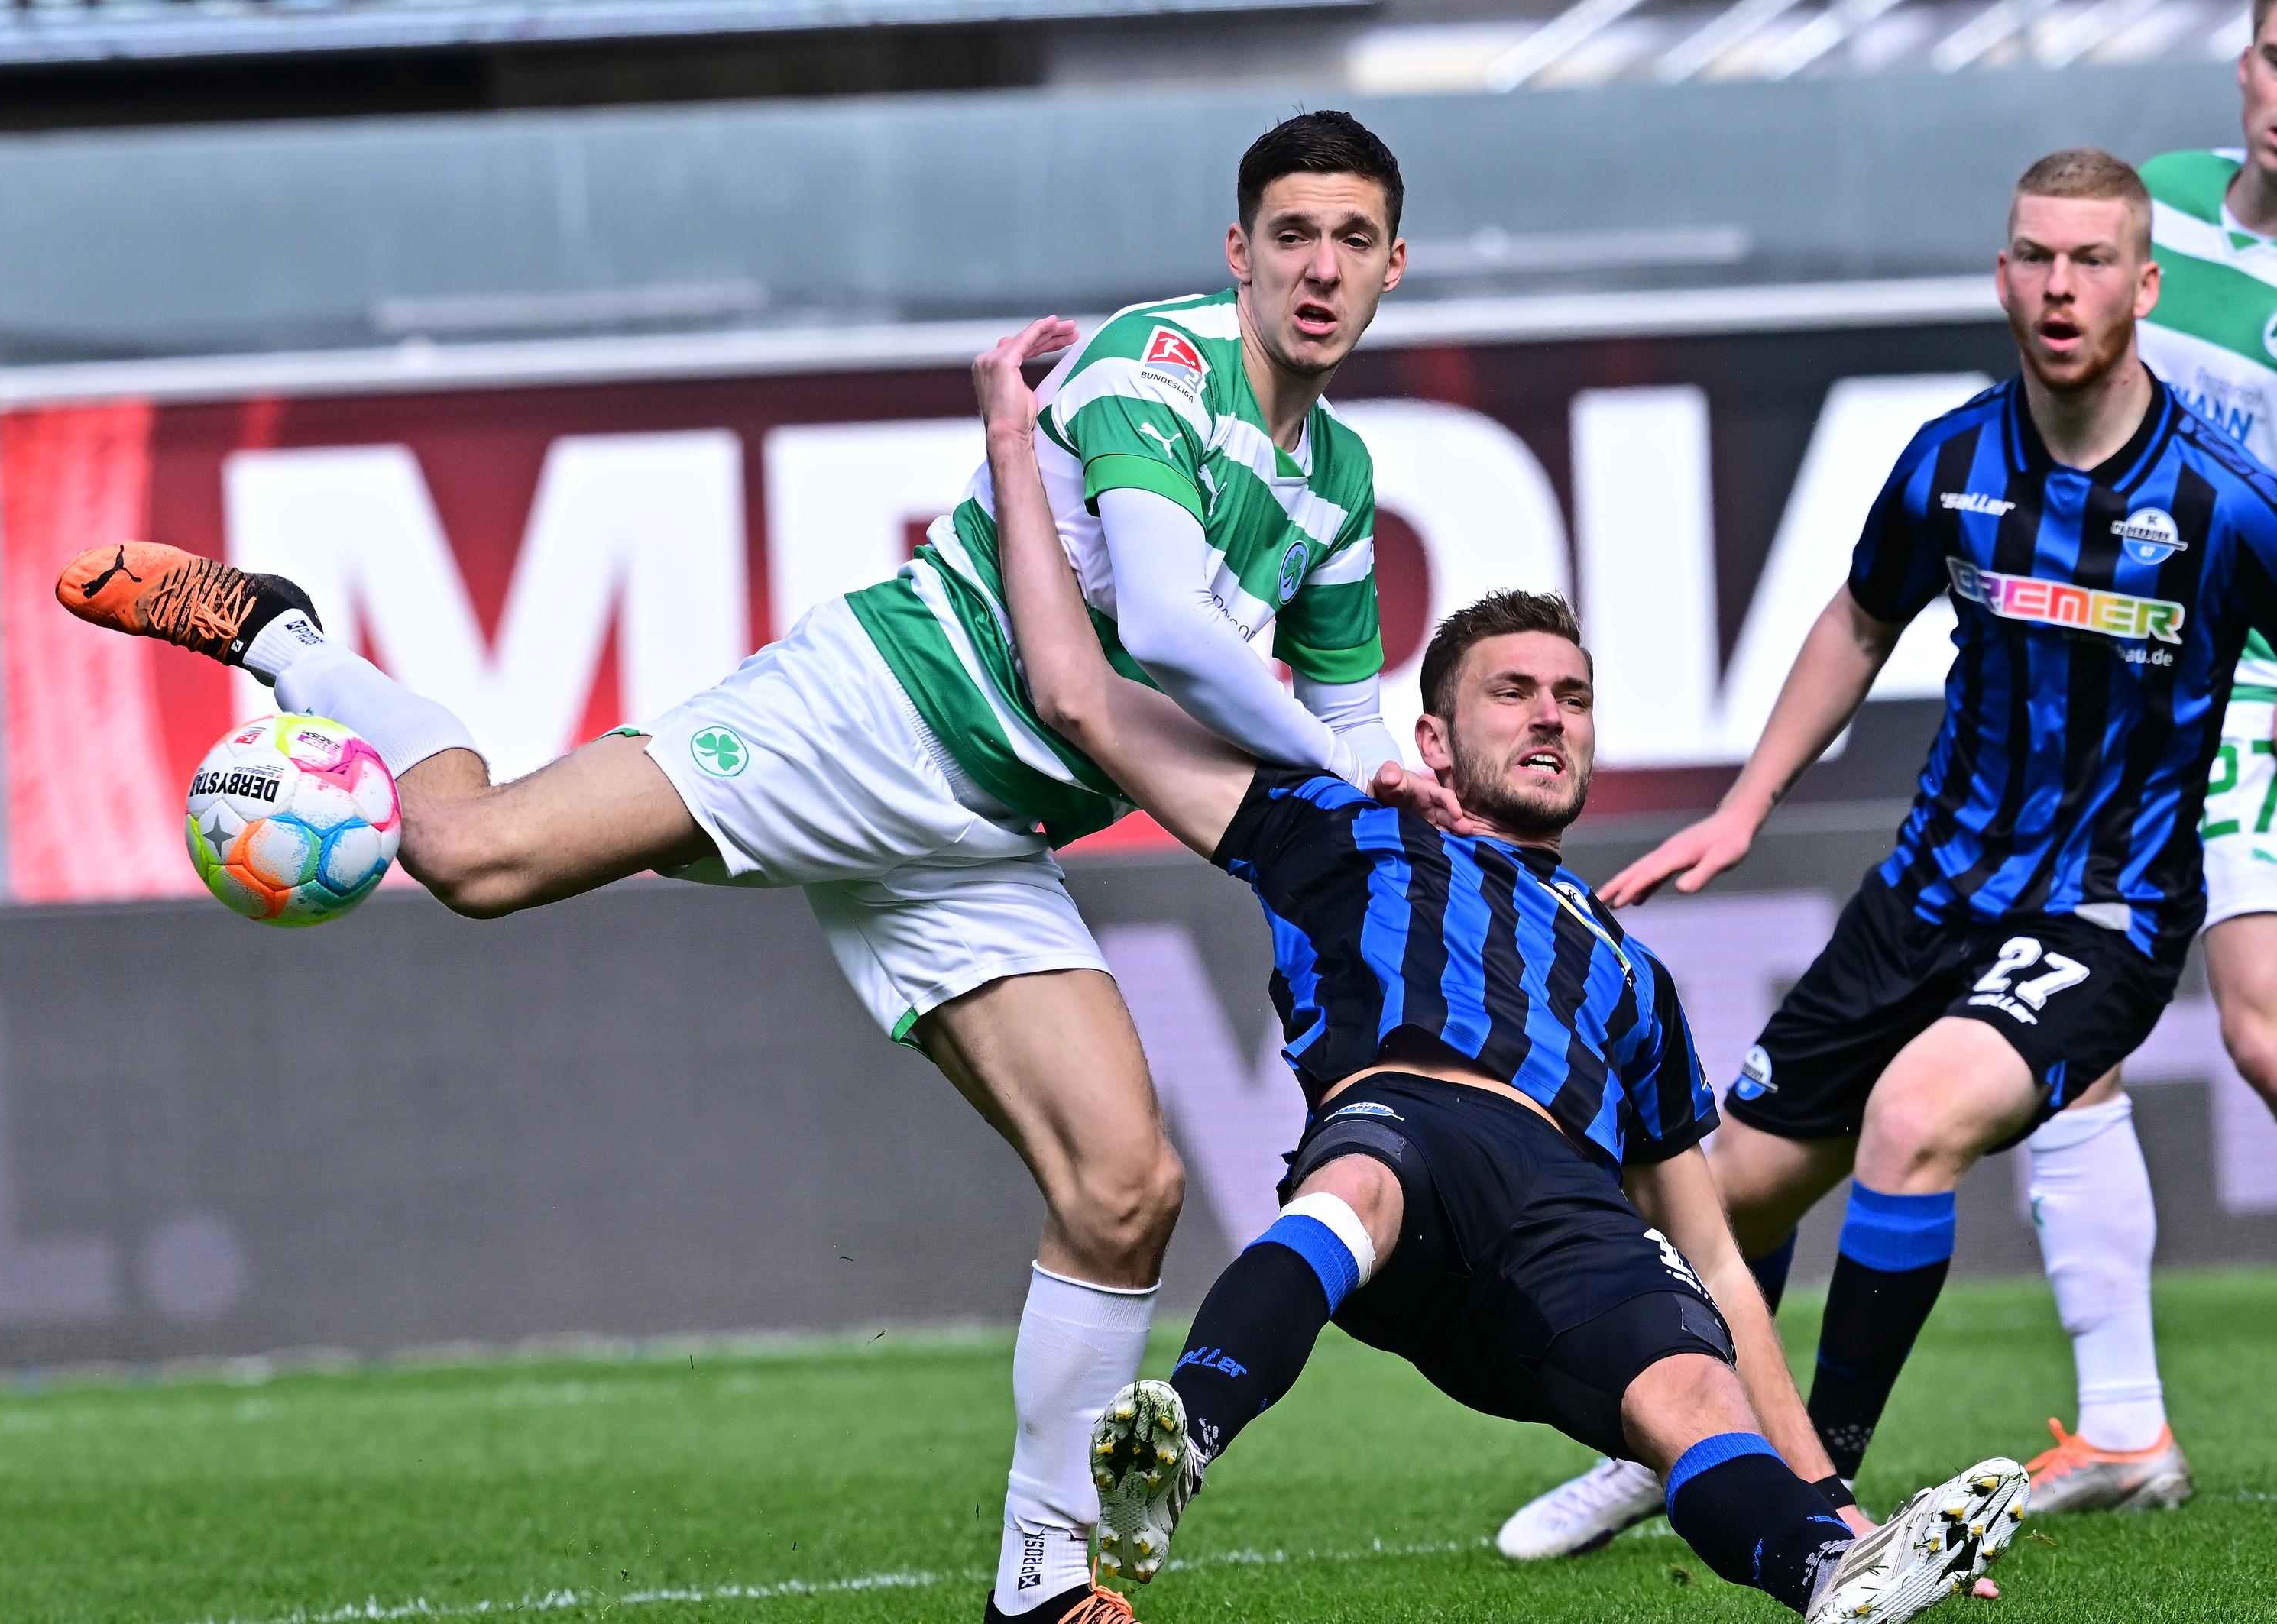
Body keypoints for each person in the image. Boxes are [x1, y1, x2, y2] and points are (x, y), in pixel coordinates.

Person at [53, 111, 1457, 1624]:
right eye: (1292, 236)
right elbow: (1173, 632)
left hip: (988, 837)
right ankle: (288, 638)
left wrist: (1398, 779)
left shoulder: (1338, 478)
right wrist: (1350, 772)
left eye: (1353, 240)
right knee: (468, 854)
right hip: (865, 715)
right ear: (1238, 252)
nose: (1320, 269)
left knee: (1127, 1186)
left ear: (1394, 265)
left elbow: (1345, 719)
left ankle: (1045, 1583)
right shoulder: (1154, 367)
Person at [963, 314, 2029, 1623]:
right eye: (1513, 691)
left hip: (1564, 1222)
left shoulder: (1632, 974)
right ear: (1432, 734)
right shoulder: (1335, 818)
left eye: (1572, 698)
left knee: (1693, 1381)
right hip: (1406, 1152)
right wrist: (1013, 442)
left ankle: (1828, 1571)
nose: (1549, 716)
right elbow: (1076, 692)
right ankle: (1177, 1440)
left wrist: (1830, 1493)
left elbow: (1715, 1248)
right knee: (1364, 1173)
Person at [1496, 144, 2277, 1558]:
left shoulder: (2227, 505)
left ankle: (1823, 1491)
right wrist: (1745, 805)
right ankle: (1689, 1435)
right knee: (1706, 1195)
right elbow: (1859, 623)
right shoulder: (1951, 462)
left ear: (2146, 286)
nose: (2060, 285)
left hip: (2104, 911)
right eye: (2036, 255)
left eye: (2092, 260)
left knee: (1913, 1121)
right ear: (2001, 275)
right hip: (1924, 895)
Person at [1989, 9, 2277, 1518]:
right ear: (2244, 62)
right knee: (2062, 1017)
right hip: (2138, 680)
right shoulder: (2154, 203)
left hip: (2256, 672)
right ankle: (2121, 1426)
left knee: (2262, 1031)